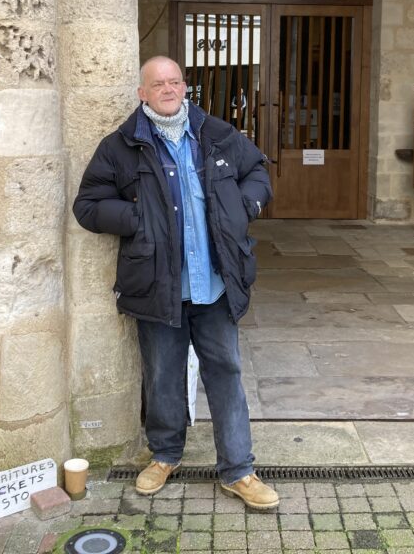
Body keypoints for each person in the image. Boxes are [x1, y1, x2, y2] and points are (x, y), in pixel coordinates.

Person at [72, 56, 278, 511]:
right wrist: (139, 217)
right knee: (163, 377)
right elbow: (87, 206)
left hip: (216, 285)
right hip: (157, 285)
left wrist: (245, 205)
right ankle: (165, 455)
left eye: (174, 82)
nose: (167, 89)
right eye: (156, 84)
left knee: (226, 374)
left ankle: (238, 469)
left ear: (185, 88)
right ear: (142, 93)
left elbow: (258, 171)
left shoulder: (218, 134)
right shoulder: (121, 146)